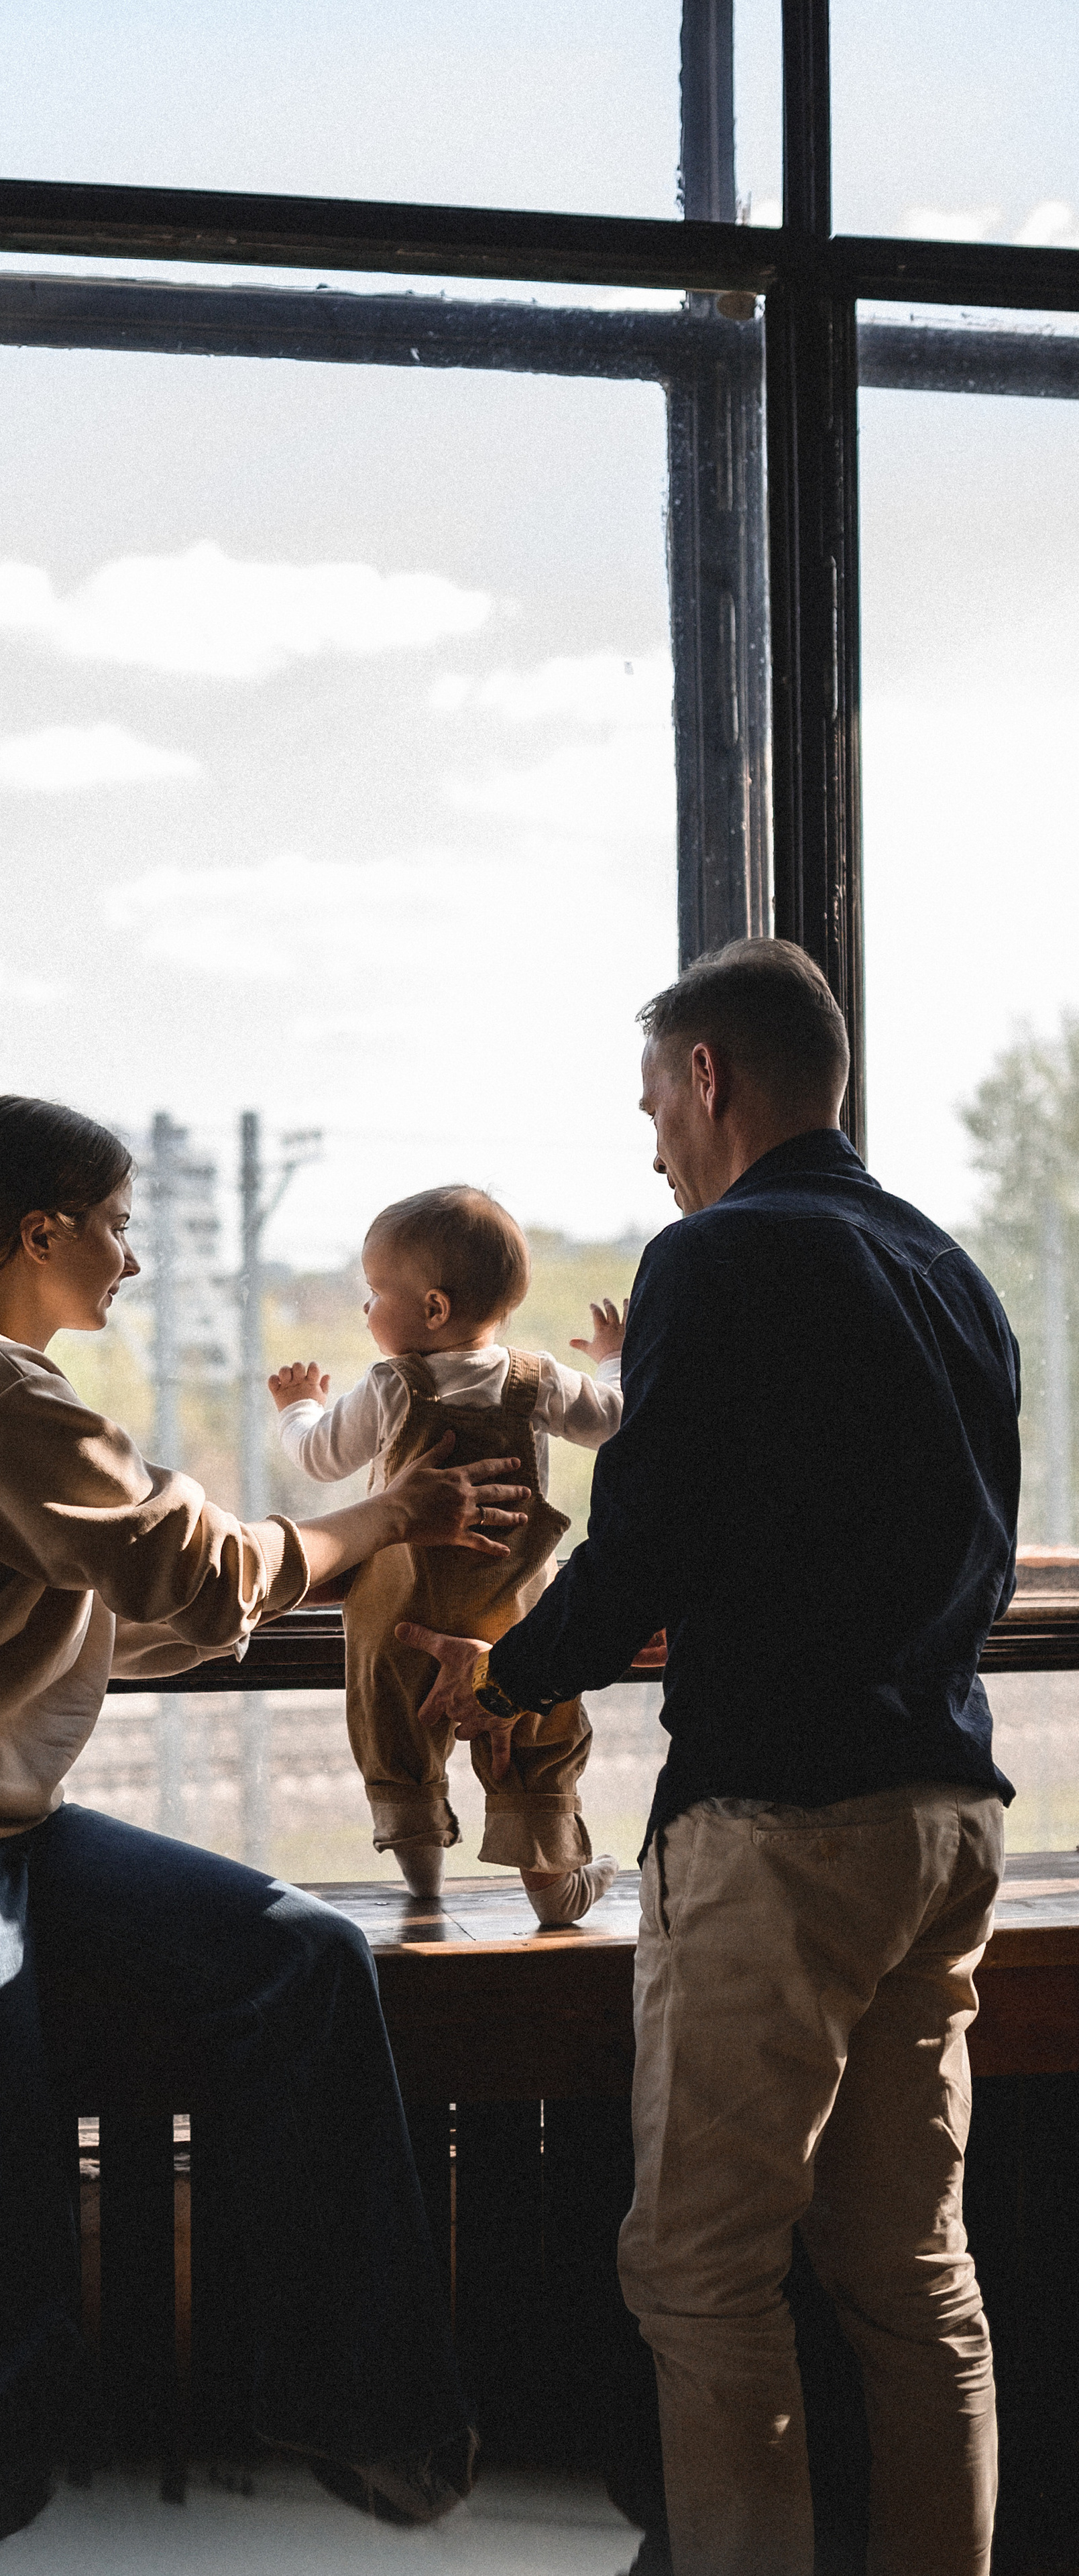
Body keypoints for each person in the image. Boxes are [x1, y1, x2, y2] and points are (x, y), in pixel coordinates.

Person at [0, 1094, 528, 2555]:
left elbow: (133, 1614)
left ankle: (352, 2414)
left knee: (305, 1961)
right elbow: (196, 1569)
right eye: (116, 1225)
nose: (132, 1256)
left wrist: (269, 1577)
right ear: (38, 1232)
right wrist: (381, 1517)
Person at [400, 939, 1019, 2576]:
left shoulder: (713, 1254)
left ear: (708, 1078)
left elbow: (643, 1538)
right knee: (912, 2270)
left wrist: (502, 1671)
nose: (650, 1143)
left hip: (778, 1825)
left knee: (697, 2269)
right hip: (945, 1816)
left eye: (651, 1102)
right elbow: (917, 1540)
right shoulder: (946, 1268)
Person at [269, 1182, 625, 1917]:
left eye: (374, 1292)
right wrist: (617, 1359)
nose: (366, 1309)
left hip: (399, 1610)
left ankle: (424, 1887)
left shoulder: (390, 1387)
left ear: (431, 1308)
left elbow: (318, 1458)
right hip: (510, 1611)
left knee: (395, 1734)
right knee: (535, 1740)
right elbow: (616, 1420)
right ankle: (556, 1887)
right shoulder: (539, 1381)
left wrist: (297, 1405)